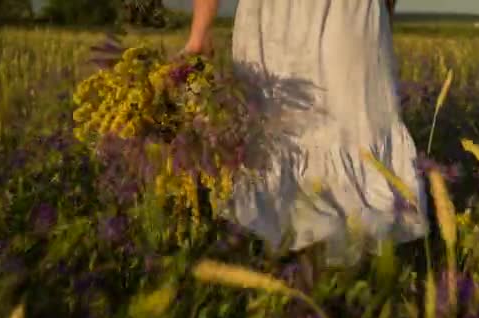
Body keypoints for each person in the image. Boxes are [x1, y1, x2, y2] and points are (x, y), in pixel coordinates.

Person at [183, 0, 428, 274]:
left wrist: (199, 32)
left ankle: (326, 286)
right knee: (285, 142)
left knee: (348, 134)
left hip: (321, 14)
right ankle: (325, 285)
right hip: (285, 17)